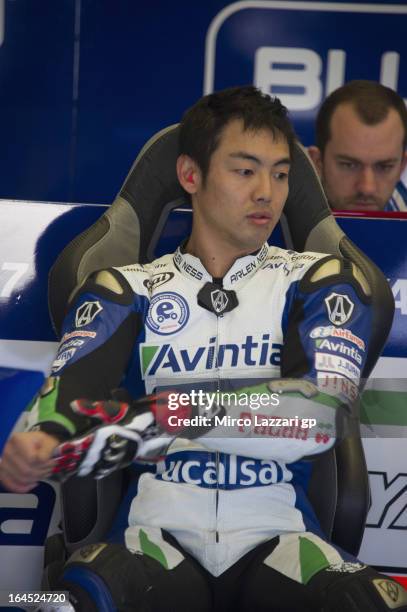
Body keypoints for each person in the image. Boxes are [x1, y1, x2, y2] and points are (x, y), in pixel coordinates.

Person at [1, 86, 406, 612]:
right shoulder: (124, 288)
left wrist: (170, 415)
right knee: (50, 601)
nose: (267, 192)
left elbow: (319, 413)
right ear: (191, 176)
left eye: (281, 174)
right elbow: (66, 398)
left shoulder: (323, 281)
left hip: (282, 539)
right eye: (245, 171)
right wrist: (41, 435)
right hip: (153, 538)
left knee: (376, 603)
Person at [308, 80, 407, 211]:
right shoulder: (279, 221)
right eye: (348, 165)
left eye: (384, 167)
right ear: (318, 163)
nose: (367, 188)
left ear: (402, 166)